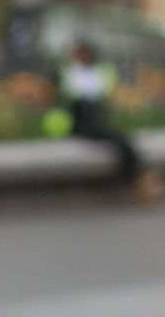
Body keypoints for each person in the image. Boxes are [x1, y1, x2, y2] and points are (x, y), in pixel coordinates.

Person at [50, 38, 164, 201]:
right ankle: (137, 180)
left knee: (121, 141)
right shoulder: (70, 73)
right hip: (79, 122)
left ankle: (138, 178)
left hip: (90, 121)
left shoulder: (93, 73)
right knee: (121, 141)